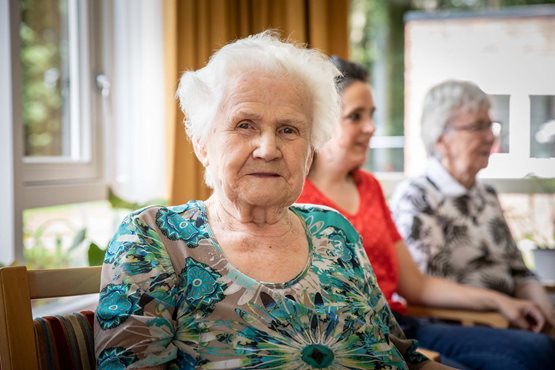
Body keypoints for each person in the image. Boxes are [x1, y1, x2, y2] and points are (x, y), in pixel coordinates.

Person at [94, 32, 449, 369]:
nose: (268, 149)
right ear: (202, 144)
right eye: (245, 124)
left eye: (288, 130)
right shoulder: (153, 238)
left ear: (310, 152)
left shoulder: (334, 230)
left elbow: (404, 357)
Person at [296, 56, 555, 369]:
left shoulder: (369, 187)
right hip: (354, 336)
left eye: (372, 115)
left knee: (541, 350)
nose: (371, 127)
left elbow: (416, 285)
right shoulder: (299, 198)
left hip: (401, 324)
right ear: (322, 122)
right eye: (356, 116)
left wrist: (502, 302)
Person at [390, 79, 555, 332]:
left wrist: (544, 311)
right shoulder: (418, 197)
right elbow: (424, 288)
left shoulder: (486, 194)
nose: (490, 136)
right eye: (478, 126)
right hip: (460, 327)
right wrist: (503, 305)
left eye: (491, 125)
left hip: (513, 319)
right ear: (441, 139)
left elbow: (519, 271)